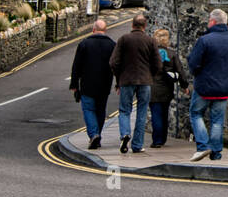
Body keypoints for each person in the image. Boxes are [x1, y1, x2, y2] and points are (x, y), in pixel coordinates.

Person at [187, 8, 228, 162]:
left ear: (212, 22)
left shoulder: (205, 40)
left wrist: (197, 72)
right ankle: (216, 152)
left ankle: (203, 146)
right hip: (223, 87)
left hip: (204, 86)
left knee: (196, 113)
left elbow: (193, 64)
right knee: (217, 120)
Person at [110, 13, 163, 154]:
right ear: (145, 27)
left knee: (124, 110)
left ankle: (125, 134)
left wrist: (118, 79)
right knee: (141, 112)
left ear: (132, 25)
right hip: (145, 81)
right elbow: (158, 64)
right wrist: (150, 75)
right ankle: (137, 145)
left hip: (126, 80)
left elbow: (113, 62)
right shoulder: (150, 41)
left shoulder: (123, 39)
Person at [70, 19, 115, 150]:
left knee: (89, 110)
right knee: (100, 111)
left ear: (93, 29)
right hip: (105, 85)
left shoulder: (84, 44)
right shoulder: (112, 45)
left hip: (87, 84)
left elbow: (76, 66)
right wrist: (119, 83)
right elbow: (116, 65)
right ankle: (97, 137)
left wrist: (74, 84)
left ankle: (94, 134)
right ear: (105, 30)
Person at [149, 28, 189, 148]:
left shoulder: (150, 54)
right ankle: (162, 138)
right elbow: (180, 70)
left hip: (152, 88)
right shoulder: (172, 54)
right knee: (164, 113)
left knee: (156, 114)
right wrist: (184, 85)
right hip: (166, 88)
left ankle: (156, 140)